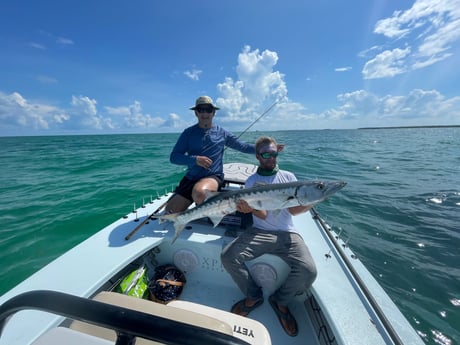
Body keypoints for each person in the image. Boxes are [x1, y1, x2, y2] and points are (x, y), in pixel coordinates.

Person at [221, 136, 318, 337]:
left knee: (308, 270)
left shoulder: (289, 177)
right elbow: (263, 215)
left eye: (274, 153)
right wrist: (250, 209)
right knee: (228, 256)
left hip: (288, 233)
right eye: (266, 154)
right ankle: (253, 296)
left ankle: (280, 301)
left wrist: (312, 201)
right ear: (258, 156)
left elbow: (292, 212)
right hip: (260, 233)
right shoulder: (252, 181)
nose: (271, 157)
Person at [165, 96, 256, 214]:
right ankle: (196, 200)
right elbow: (174, 157)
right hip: (191, 177)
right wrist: (195, 159)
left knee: (200, 193)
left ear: (213, 112)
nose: (204, 113)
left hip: (212, 176)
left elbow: (243, 146)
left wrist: (266, 148)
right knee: (170, 211)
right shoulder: (188, 133)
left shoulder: (222, 133)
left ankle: (204, 205)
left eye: (208, 109)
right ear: (196, 113)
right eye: (200, 109)